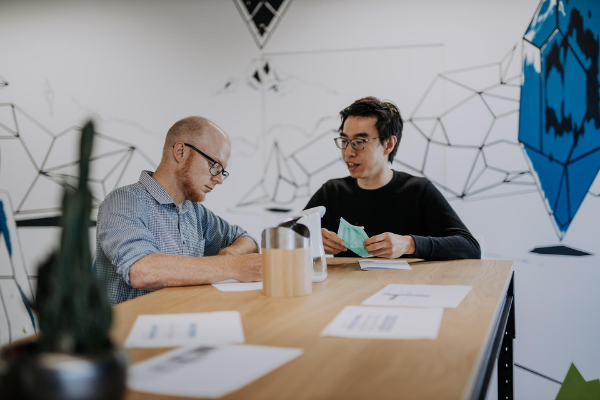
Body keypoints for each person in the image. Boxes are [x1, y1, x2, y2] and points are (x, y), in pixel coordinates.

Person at [96, 117, 261, 304]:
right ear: (180, 151)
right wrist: (233, 267)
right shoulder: (123, 202)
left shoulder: (196, 213)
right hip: (130, 329)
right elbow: (141, 270)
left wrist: (231, 255)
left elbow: (247, 240)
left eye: (222, 171)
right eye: (214, 165)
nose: (219, 179)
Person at [304, 97, 480, 261]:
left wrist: (409, 244)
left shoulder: (418, 190)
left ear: (388, 144)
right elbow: (286, 237)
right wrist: (311, 240)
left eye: (359, 142)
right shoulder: (332, 192)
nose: (348, 152)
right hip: (348, 291)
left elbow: (470, 247)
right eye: (344, 141)